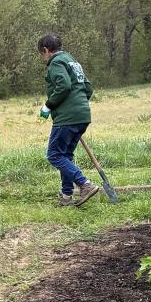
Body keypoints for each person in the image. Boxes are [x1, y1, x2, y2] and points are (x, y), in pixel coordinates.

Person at [37, 31, 99, 206]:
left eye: (42, 54)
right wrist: (78, 105)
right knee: (65, 156)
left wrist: (49, 105)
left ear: (46, 50)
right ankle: (66, 196)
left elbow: (63, 85)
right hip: (83, 115)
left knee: (54, 155)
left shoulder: (56, 62)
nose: (43, 57)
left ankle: (84, 184)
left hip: (67, 118)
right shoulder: (73, 62)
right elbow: (88, 88)